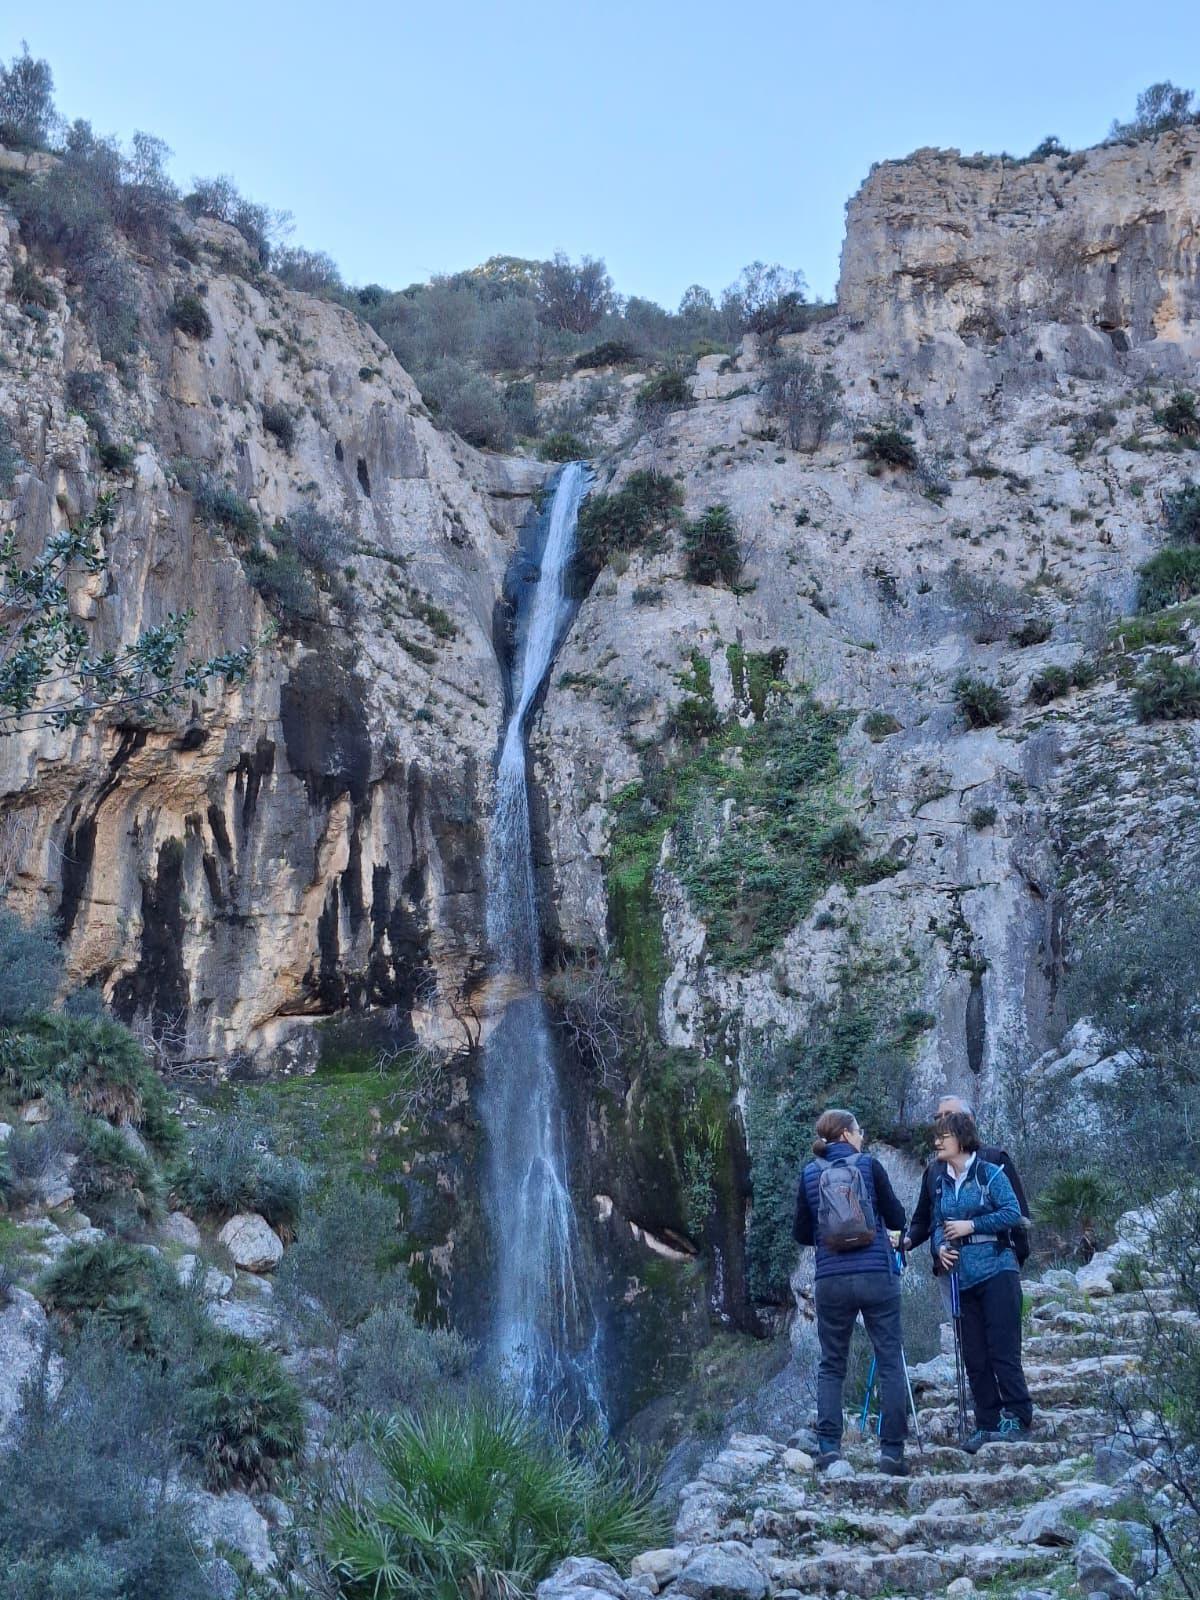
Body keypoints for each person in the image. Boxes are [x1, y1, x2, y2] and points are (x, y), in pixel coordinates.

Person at [792, 1108, 909, 1475]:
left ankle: (829, 1449)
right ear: (845, 1134)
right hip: (876, 1274)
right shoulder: (869, 1166)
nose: (862, 1137)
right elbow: (897, 1218)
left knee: (832, 1364)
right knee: (890, 1359)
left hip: (832, 1281)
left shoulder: (810, 1174)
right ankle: (891, 1453)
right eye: (859, 1131)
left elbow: (800, 1233)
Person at [930, 1108, 1033, 1452]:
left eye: (942, 1136)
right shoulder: (941, 1181)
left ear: (960, 1139)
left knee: (1002, 1348)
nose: (936, 1142)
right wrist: (940, 1249)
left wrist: (971, 1226)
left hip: (997, 1270)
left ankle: (1017, 1418)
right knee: (974, 1352)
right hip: (962, 1277)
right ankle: (987, 1423)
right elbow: (935, 1225)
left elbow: (1012, 1213)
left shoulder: (989, 1173)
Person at [905, 1094, 1030, 1311]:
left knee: (1000, 1336)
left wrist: (1016, 1257)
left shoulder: (994, 1160)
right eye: (938, 1117)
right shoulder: (934, 1170)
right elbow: (927, 1219)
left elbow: (1017, 1213)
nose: (941, 1120)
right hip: (951, 1268)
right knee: (964, 1339)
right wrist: (908, 1242)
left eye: (949, 1115)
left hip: (995, 1265)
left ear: (968, 1121)